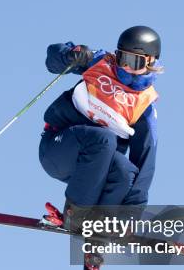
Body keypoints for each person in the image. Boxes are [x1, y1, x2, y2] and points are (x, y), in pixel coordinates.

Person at [39, 26, 163, 232]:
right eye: (122, 58)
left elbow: (144, 165)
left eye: (135, 62)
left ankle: (100, 230)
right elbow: (52, 59)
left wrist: (130, 217)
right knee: (104, 138)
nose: (126, 67)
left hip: (89, 172)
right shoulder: (101, 63)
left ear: (150, 62)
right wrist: (71, 56)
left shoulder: (144, 108)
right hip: (58, 148)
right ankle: (76, 214)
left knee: (126, 173)